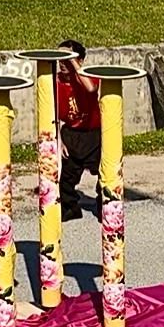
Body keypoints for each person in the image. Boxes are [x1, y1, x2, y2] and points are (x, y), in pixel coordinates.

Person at [55, 39, 101, 222]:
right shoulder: (55, 80)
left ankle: (104, 209)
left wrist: (73, 61)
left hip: (93, 133)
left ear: (80, 60)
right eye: (61, 59)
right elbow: (52, 112)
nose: (63, 64)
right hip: (71, 134)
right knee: (66, 179)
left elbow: (91, 89)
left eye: (67, 59)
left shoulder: (87, 76)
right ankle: (70, 209)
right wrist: (59, 140)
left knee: (105, 175)